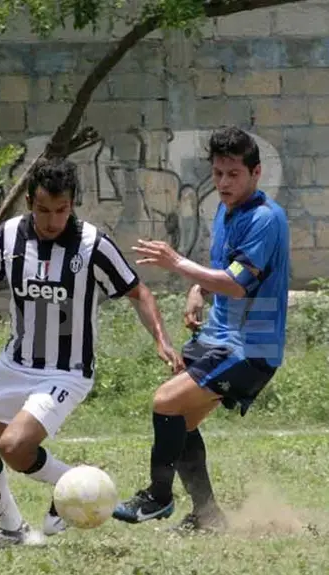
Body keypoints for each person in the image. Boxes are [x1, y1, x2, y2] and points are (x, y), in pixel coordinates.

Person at [0, 156, 183, 551]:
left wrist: (161, 340)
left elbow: (138, 292)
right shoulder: (9, 236)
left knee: (14, 447)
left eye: (61, 210)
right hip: (15, 363)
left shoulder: (92, 244)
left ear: (72, 205)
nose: (52, 220)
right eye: (43, 209)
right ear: (29, 201)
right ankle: (10, 530)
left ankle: (78, 486)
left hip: (67, 371)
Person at [111, 125, 290, 532]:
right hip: (217, 338)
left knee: (165, 401)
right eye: (218, 174)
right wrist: (196, 288)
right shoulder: (228, 213)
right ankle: (208, 517)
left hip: (250, 348)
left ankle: (157, 498)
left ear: (256, 173)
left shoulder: (265, 219)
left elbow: (235, 282)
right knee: (182, 423)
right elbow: (224, 269)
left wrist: (177, 265)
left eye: (234, 175)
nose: (224, 183)